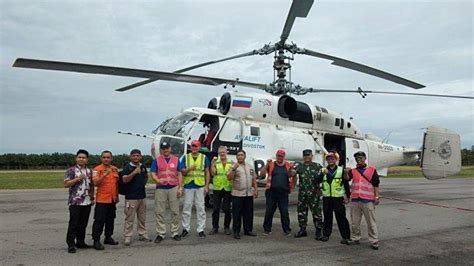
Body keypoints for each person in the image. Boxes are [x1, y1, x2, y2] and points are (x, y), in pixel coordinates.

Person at [345, 151, 380, 250]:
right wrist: (345, 172)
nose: (358, 160)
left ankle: (374, 240)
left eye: (360, 158)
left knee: (371, 222)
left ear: (365, 158)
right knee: (355, 222)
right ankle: (355, 238)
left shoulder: (372, 170)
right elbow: (347, 179)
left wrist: (376, 196)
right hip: (355, 199)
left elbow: (376, 184)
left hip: (367, 200)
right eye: (356, 159)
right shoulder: (353, 171)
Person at [151, 142, 183, 243]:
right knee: (159, 212)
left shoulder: (176, 160)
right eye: (163, 148)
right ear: (161, 150)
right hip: (161, 188)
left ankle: (175, 232)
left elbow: (179, 174)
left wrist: (180, 188)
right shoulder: (156, 160)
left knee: (175, 211)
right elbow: (153, 173)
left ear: (170, 148)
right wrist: (157, 180)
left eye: (167, 148)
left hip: (173, 187)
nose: (165, 150)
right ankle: (160, 233)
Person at [63, 149, 94, 253]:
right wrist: (77, 179)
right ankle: (71, 244)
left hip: (87, 201)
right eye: (79, 157)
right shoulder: (71, 170)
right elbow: (66, 184)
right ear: (76, 158)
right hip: (75, 202)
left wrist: (92, 196)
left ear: (87, 160)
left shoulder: (89, 171)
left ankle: (80, 242)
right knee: (73, 224)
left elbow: (91, 185)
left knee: (83, 224)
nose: (81, 159)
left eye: (84, 157)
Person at [119, 149, 151, 246]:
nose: (136, 157)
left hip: (142, 196)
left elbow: (145, 177)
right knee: (130, 218)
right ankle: (128, 236)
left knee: (142, 217)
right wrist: (134, 173)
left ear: (140, 157)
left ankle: (143, 234)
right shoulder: (127, 167)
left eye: (137, 155)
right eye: (134, 156)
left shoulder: (143, 167)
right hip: (131, 197)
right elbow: (124, 180)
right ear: (130, 157)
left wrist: (142, 185)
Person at [180, 140, 210, 238]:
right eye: (193, 146)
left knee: (201, 208)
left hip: (200, 185)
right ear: (190, 147)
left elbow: (207, 172)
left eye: (196, 146)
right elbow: (183, 172)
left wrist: (206, 186)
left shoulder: (204, 157)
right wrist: (189, 168)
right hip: (189, 185)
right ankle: (185, 229)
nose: (194, 148)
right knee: (186, 208)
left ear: (199, 147)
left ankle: (201, 229)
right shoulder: (186, 157)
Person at [261, 149, 295, 236]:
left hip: (283, 192)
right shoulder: (271, 164)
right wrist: (267, 164)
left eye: (281, 156)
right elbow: (262, 174)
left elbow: (291, 175)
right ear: (276, 156)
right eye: (278, 156)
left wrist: (291, 168)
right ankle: (267, 229)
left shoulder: (287, 165)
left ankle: (287, 230)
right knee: (269, 211)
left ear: (284, 157)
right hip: (271, 192)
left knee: (284, 211)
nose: (279, 157)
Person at [320, 151, 351, 244]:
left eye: (332, 159)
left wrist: (348, 196)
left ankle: (346, 236)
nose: (330, 160)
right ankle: (326, 234)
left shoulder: (341, 170)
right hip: (327, 197)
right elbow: (317, 180)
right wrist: (322, 174)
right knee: (327, 217)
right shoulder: (323, 170)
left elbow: (346, 183)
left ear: (336, 160)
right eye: (328, 159)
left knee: (341, 217)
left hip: (338, 197)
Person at [227, 149, 258, 239]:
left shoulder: (250, 166)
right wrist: (233, 169)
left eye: (242, 155)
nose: (240, 157)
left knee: (248, 213)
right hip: (237, 194)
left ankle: (248, 230)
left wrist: (256, 189)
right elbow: (229, 178)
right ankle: (236, 231)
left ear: (245, 156)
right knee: (237, 214)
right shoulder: (233, 166)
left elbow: (253, 179)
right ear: (236, 157)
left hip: (248, 194)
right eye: (239, 155)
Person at [92, 150, 119, 250]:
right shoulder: (97, 169)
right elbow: (95, 183)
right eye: (104, 157)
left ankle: (108, 237)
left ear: (111, 158)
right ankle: (96, 240)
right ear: (101, 158)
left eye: (108, 157)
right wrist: (104, 174)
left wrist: (117, 196)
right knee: (99, 220)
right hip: (102, 200)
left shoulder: (115, 169)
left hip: (112, 199)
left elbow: (116, 184)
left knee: (110, 219)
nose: (106, 159)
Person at [294, 149, 324, 240]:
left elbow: (322, 178)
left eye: (308, 155)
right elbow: (291, 174)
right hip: (303, 194)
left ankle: (318, 231)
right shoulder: (300, 166)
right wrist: (291, 169)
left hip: (314, 194)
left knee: (316, 212)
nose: (307, 157)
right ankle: (302, 229)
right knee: (301, 212)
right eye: (305, 156)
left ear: (312, 156)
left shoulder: (317, 166)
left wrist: (321, 190)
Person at [209, 146, 233, 235]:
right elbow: (212, 173)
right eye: (220, 152)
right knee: (215, 209)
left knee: (227, 209)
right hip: (217, 188)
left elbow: (232, 175)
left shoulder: (231, 162)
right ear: (218, 154)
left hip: (227, 188)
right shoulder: (216, 162)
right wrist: (212, 163)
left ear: (226, 152)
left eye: (223, 152)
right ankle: (215, 227)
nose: (222, 154)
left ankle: (227, 227)